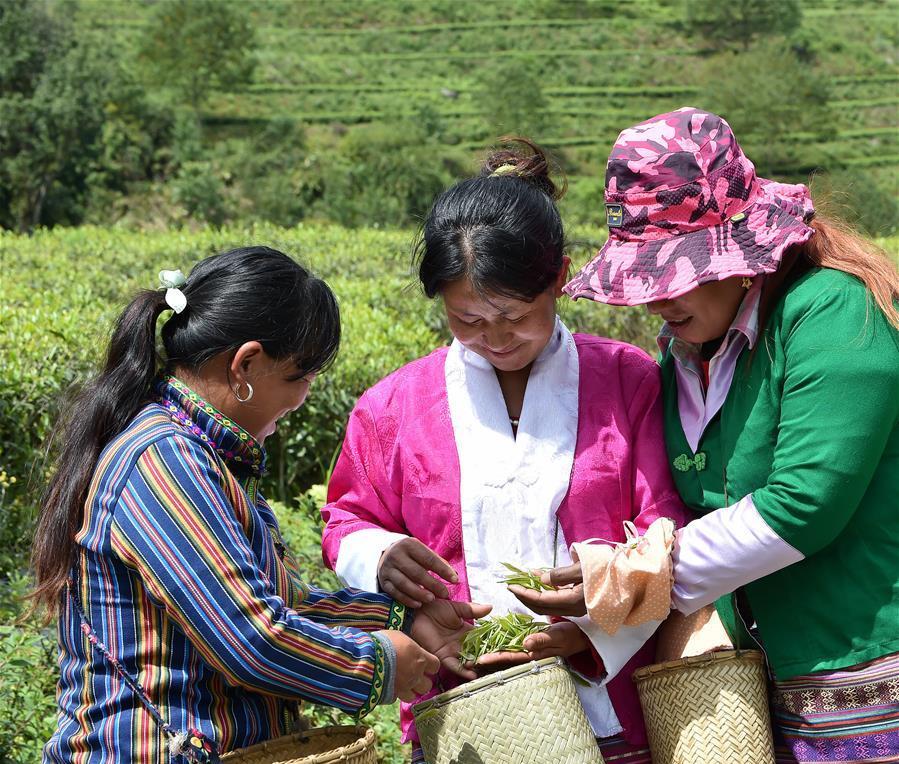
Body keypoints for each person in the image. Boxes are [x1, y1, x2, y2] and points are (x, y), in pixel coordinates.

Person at [525, 107, 899, 763]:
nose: (659, 299)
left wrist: (631, 580)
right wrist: (604, 608)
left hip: (870, 677)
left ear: (742, 248)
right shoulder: (688, 356)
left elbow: (804, 505)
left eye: (678, 273)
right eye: (650, 279)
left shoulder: (831, 314)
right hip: (768, 688)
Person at [30, 246, 488, 763]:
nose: (304, 397)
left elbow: (285, 605)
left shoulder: (210, 457)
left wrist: (404, 618)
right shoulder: (165, 460)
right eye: (300, 377)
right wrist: (380, 663)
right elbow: (250, 638)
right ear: (246, 364)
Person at [320, 140, 690, 763]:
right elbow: (348, 518)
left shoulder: (629, 381)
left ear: (560, 278)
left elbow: (667, 527)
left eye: (515, 314)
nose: (494, 337)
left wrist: (585, 630)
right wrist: (380, 558)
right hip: (462, 705)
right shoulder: (393, 406)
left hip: (612, 711)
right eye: (467, 319)